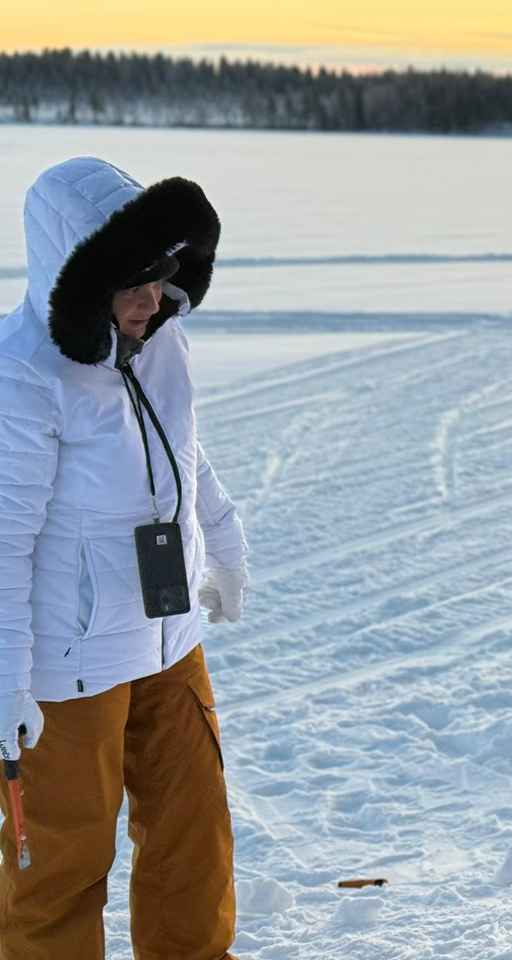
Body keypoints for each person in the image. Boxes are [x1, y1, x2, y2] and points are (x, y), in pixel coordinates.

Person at [0, 157, 249, 959]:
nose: (150, 301)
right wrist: (5, 683)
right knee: (61, 870)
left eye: (160, 278)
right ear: (78, 277)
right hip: (63, 664)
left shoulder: (160, 343)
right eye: (129, 283)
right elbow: (4, 540)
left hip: (168, 636)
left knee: (193, 841)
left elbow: (188, 452)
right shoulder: (24, 374)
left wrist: (228, 548)